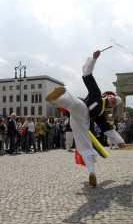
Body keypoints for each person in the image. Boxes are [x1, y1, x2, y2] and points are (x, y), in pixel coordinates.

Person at [45, 50, 125, 187]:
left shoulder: (101, 115)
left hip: (83, 122)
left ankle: (92, 173)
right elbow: (87, 74)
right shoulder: (97, 93)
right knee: (75, 103)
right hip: (79, 114)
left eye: (114, 102)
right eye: (112, 98)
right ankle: (57, 98)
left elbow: (109, 130)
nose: (112, 100)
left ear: (112, 106)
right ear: (109, 95)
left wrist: (120, 141)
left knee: (85, 147)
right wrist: (93, 59)